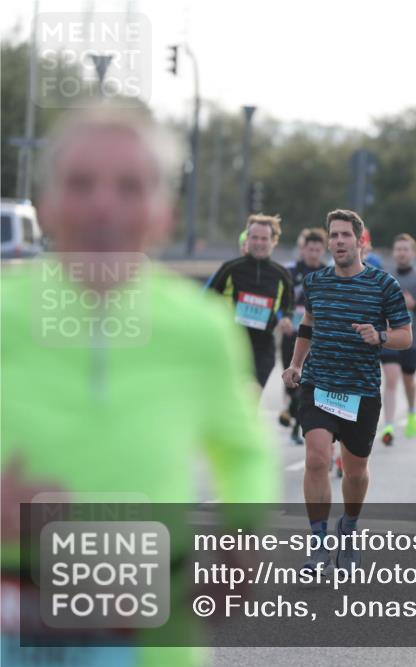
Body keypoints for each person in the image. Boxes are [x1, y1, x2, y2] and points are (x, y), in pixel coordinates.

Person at [0, 106, 278, 667]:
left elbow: (244, 453)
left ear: (161, 214)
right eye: (81, 184)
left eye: (130, 187)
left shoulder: (198, 329)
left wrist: (241, 535)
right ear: (48, 204)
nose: (104, 205)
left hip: (149, 634)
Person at [282, 209, 412, 573]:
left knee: (355, 473)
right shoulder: (316, 282)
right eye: (333, 235)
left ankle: (349, 528)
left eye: (345, 235)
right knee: (317, 459)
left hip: (361, 390)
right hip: (320, 383)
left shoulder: (384, 285)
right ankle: (319, 544)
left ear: (360, 240)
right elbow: (308, 324)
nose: (338, 241)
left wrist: (381, 336)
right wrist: (296, 365)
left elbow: (405, 335)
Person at [207, 215, 294, 389]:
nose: (259, 242)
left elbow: (288, 304)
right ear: (247, 239)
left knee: (251, 395)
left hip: (263, 348)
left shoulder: (281, 274)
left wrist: (285, 318)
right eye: (254, 237)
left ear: (273, 241)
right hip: (232, 343)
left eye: (264, 238)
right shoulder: (231, 268)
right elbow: (209, 298)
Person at [380, 233, 416, 446]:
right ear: (394, 253)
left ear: (413, 253)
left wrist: (415, 305)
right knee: (391, 379)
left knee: (408, 381)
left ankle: (412, 411)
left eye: (406, 249)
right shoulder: (385, 276)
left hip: (413, 338)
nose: (402, 253)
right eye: (398, 249)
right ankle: (388, 425)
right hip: (389, 336)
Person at [280, 227, 329, 444]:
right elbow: (278, 298)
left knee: (307, 383)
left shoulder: (328, 272)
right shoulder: (290, 271)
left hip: (314, 338)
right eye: (310, 249)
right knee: (290, 380)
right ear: (303, 249)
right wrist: (283, 318)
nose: (314, 253)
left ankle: (296, 426)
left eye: (318, 249)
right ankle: (291, 407)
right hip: (291, 334)